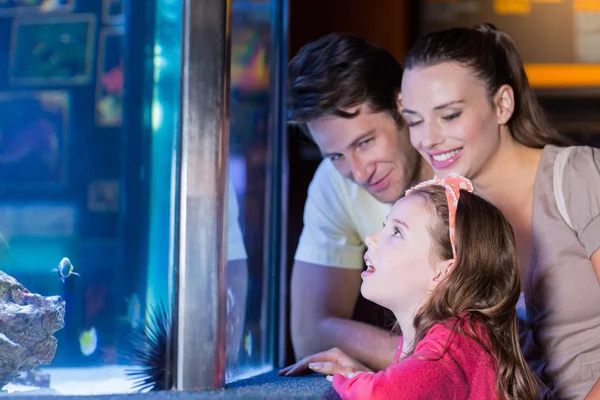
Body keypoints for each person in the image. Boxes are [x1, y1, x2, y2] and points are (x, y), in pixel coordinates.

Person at [400, 23, 600, 399]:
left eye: (450, 115)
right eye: (414, 120)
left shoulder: (578, 175)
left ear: (502, 104)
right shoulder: (454, 219)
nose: (427, 138)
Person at [280, 174, 541, 400]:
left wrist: (348, 382)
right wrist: (362, 376)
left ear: (443, 271)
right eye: (385, 227)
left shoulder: (451, 345)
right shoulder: (452, 336)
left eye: (397, 232)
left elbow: (383, 396)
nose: (371, 239)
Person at [285, 33, 433, 371]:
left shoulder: (462, 162)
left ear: (402, 108)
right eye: (337, 154)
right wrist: (425, 362)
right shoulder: (333, 181)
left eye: (365, 142)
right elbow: (310, 333)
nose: (358, 172)